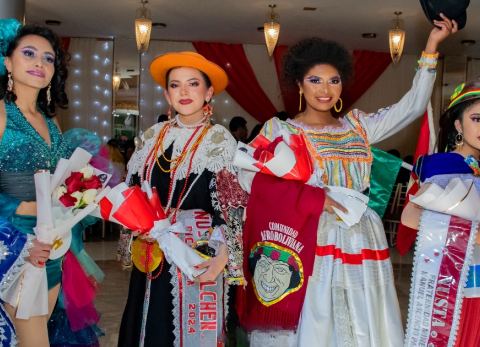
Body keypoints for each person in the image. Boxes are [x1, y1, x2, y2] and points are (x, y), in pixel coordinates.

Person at [236, 14, 457, 347]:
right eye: (315, 80)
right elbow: (246, 176)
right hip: (308, 233)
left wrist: (430, 47)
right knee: (315, 316)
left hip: (361, 236)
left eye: (334, 80)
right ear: (299, 84)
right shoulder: (280, 131)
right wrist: (309, 198)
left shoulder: (358, 127)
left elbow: (411, 108)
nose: (325, 90)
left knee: (361, 319)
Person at [118, 51, 247, 347]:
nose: (185, 92)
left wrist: (219, 265)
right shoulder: (152, 136)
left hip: (195, 257)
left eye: (193, 84)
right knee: (146, 327)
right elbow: (132, 190)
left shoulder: (219, 140)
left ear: (209, 91)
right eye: (176, 85)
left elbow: (234, 211)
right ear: (166, 93)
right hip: (151, 254)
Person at [0, 20, 102, 346]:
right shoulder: (1, 115)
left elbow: (62, 186)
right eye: (29, 53)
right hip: (17, 252)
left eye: (48, 58)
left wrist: (82, 194)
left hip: (53, 253)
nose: (39, 63)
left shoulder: (51, 120)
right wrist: (19, 243)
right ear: (7, 62)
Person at [401, 80, 480, 346]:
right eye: (477, 118)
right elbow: (410, 218)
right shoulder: (440, 166)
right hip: (460, 284)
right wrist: (470, 234)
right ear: (458, 125)